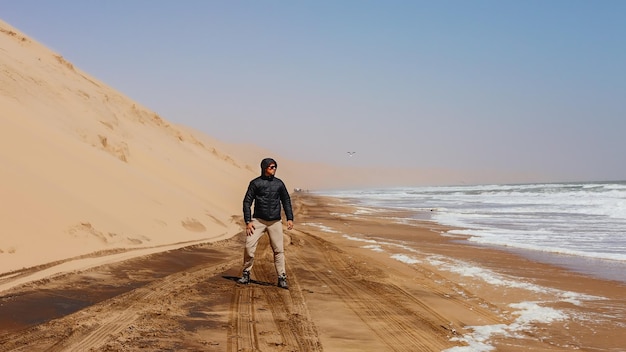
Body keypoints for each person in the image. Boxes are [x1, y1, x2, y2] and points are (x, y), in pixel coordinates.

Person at [238, 158, 294, 289]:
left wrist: (290, 218)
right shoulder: (255, 183)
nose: (274, 169)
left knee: (279, 250)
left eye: (275, 167)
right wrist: (248, 221)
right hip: (258, 221)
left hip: (275, 222)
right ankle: (246, 274)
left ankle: (282, 277)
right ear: (264, 168)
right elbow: (247, 202)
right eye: (271, 167)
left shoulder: (279, 184)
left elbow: (286, 200)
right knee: (248, 247)